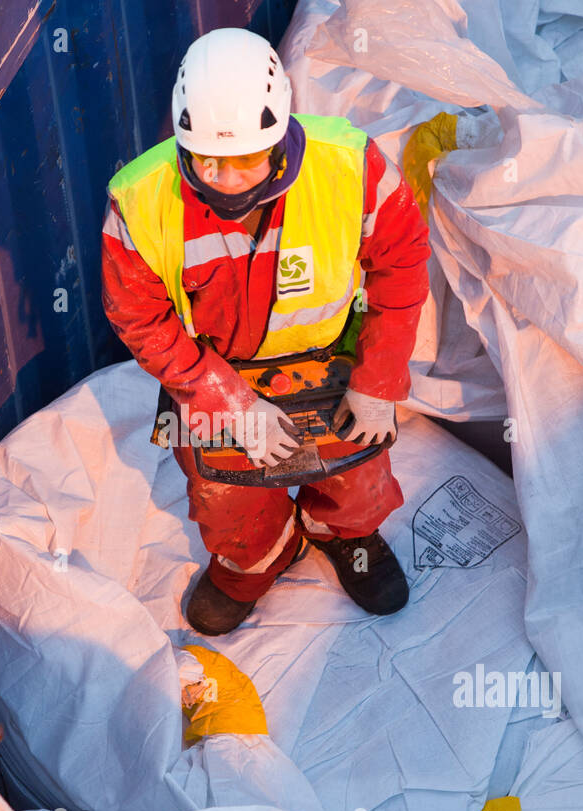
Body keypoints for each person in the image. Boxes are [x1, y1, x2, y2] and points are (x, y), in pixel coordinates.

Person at [100, 27, 430, 635]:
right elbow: (139, 317)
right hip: (214, 376)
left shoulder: (353, 166)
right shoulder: (140, 201)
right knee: (226, 496)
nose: (227, 178)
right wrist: (228, 405)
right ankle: (256, 559)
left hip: (335, 360)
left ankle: (346, 536)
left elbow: (401, 264)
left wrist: (379, 380)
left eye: (247, 157)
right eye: (208, 159)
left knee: (356, 475)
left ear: (279, 134)